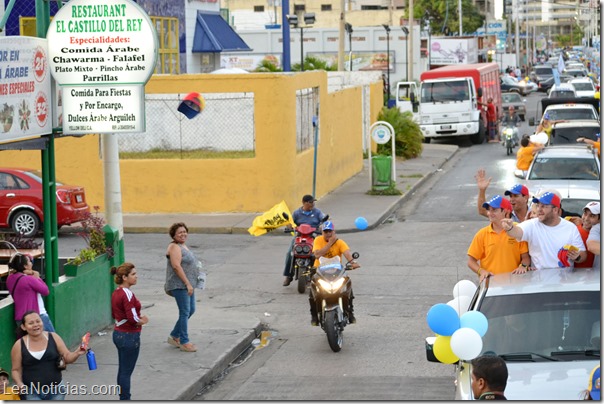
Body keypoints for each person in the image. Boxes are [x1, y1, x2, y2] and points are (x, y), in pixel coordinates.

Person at [10, 311, 86, 400]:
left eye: (38, 321)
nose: (35, 325)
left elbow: (67, 357)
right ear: (23, 327)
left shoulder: (54, 337)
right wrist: (20, 384)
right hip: (31, 393)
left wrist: (77, 353)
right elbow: (15, 370)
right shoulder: (19, 345)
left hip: (56, 391)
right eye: (31, 323)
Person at [502, 191, 586, 270]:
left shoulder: (570, 227)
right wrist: (510, 228)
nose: (539, 209)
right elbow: (517, 232)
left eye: (543, 206)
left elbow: (583, 255)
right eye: (538, 205)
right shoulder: (532, 224)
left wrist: (577, 257)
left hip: (565, 281)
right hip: (539, 281)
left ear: (555, 210)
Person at [467, 195, 531, 281]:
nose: (490, 213)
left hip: (515, 285)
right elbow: (471, 261)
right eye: (489, 210)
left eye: (494, 210)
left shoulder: (517, 230)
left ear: (504, 211)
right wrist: (481, 271)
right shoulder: (481, 234)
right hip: (492, 286)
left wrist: (523, 266)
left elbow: (526, 257)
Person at [309, 220, 360, 325]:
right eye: (325, 231)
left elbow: (347, 254)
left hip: (337, 272)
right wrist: (330, 243)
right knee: (313, 294)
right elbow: (317, 255)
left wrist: (353, 262)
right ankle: (314, 316)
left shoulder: (340, 242)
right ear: (322, 232)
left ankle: (350, 313)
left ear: (334, 231)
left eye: (330, 231)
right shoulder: (318, 240)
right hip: (320, 272)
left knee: (348, 286)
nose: (328, 234)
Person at [111, 262, 149, 400]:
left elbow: (114, 314)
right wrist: (143, 321)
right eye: (133, 274)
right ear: (124, 277)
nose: (136, 276)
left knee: (122, 370)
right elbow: (132, 317)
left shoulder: (116, 292)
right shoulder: (127, 294)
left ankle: (123, 397)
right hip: (129, 336)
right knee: (126, 372)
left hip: (118, 334)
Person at [165, 222, 199, 352]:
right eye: (180, 232)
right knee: (185, 311)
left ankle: (174, 335)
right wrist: (187, 283)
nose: (183, 234)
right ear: (173, 235)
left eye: (185, 231)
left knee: (191, 310)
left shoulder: (182, 245)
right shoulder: (174, 247)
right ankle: (184, 341)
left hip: (188, 284)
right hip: (179, 285)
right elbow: (176, 266)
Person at [283, 194, 327, 286]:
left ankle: (323, 275)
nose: (312, 204)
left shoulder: (317, 212)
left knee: (320, 253)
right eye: (310, 202)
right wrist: (289, 226)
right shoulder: (296, 213)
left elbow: (324, 220)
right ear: (304, 203)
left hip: (313, 235)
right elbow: (290, 222)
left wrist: (322, 226)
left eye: (313, 202)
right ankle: (288, 276)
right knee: (290, 253)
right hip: (300, 236)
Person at [6, 253, 55, 334]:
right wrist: (37, 276)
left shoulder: (10, 278)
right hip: (36, 317)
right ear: (25, 266)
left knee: (28, 344)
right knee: (52, 341)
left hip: (20, 318)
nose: (31, 263)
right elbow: (45, 291)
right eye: (29, 261)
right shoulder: (28, 279)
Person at [566, 201, 599, 269]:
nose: (586, 218)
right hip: (573, 276)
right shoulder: (573, 230)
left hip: (595, 277)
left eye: (592, 216)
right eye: (585, 214)